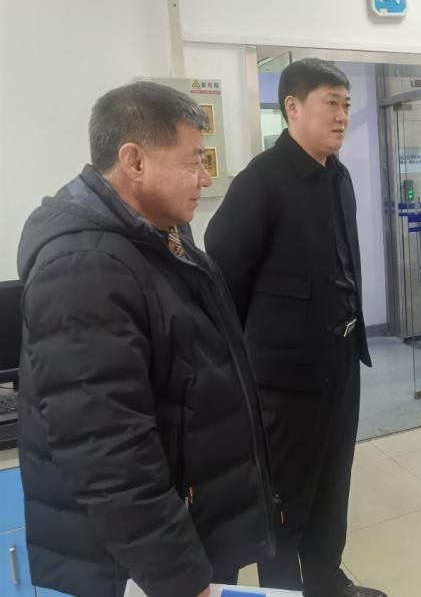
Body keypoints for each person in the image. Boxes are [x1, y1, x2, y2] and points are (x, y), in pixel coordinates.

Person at [16, 82, 277, 597]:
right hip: (137, 568)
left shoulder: (162, 237)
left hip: (188, 529)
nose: (206, 177)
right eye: (194, 160)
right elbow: (110, 455)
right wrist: (180, 578)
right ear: (134, 160)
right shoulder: (84, 269)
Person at [205, 59, 384, 597]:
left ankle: (327, 580)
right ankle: (282, 589)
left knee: (334, 479)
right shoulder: (261, 180)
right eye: (331, 103)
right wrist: (255, 353)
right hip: (285, 380)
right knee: (286, 494)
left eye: (346, 104)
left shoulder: (338, 176)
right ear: (292, 107)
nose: (342, 115)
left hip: (341, 360)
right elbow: (224, 273)